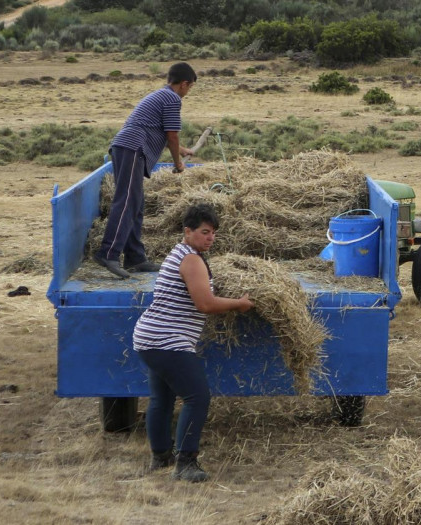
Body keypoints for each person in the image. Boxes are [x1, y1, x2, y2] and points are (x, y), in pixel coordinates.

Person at [132, 203, 254, 482]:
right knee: (197, 397)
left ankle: (161, 457)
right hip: (167, 340)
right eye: (204, 232)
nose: (210, 238)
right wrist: (239, 303)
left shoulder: (180, 253)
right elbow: (205, 304)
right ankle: (185, 464)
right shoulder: (191, 260)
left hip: (150, 337)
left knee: (161, 398)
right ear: (188, 231)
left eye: (213, 233)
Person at [94, 62, 198, 279]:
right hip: (133, 148)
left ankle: (135, 257)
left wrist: (182, 151)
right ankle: (108, 253)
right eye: (190, 87)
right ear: (184, 84)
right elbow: (172, 135)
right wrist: (178, 164)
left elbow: (163, 133)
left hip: (127, 147)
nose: (188, 92)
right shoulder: (172, 99)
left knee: (136, 203)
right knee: (127, 201)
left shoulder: (161, 95)